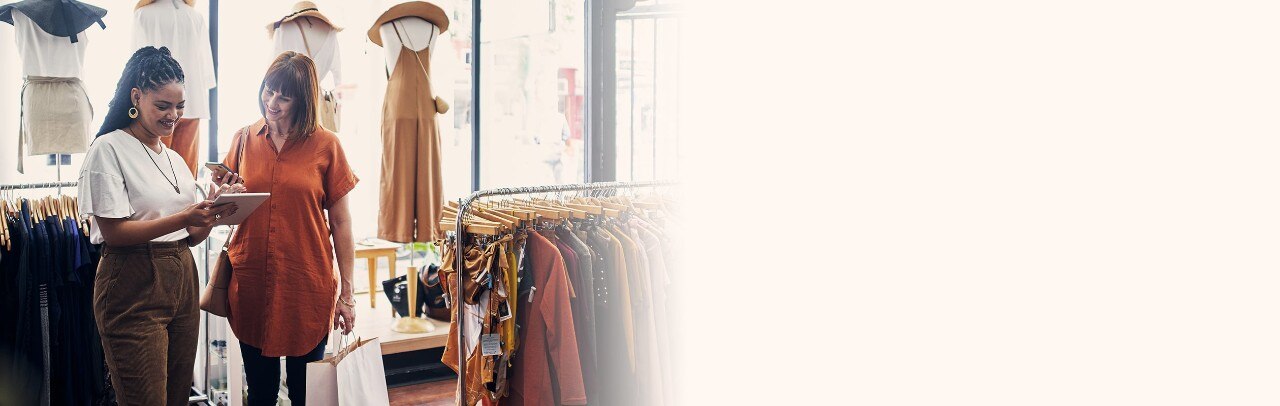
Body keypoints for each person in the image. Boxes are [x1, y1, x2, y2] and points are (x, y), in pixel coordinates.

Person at [79, 46, 242, 405]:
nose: (174, 116)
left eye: (180, 106)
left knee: (176, 397)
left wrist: (214, 210)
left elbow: (191, 236)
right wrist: (185, 216)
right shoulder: (108, 149)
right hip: (132, 282)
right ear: (136, 97)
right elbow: (114, 233)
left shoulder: (175, 159)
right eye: (163, 106)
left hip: (182, 278)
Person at [212, 51, 358, 406]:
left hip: (306, 286)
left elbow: (341, 223)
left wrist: (348, 294)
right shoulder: (243, 139)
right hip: (252, 282)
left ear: (302, 100)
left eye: (284, 96)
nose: (272, 102)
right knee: (260, 392)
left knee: (304, 393)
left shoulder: (327, 145)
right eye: (269, 90)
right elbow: (222, 212)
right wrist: (223, 196)